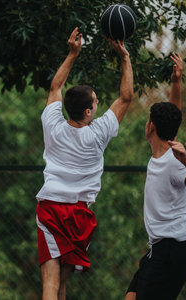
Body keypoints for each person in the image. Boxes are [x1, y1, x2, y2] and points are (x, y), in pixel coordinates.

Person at [35, 27, 133, 300]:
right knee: (62, 286)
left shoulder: (52, 125)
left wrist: (73, 53)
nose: (99, 105)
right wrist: (124, 57)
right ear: (88, 112)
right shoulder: (98, 134)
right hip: (79, 215)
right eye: (96, 103)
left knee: (50, 286)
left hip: (51, 210)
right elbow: (126, 97)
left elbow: (55, 86)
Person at [125, 53, 186, 300]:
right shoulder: (166, 150)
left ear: (150, 126)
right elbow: (174, 114)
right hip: (161, 249)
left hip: (176, 249)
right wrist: (176, 81)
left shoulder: (175, 161)